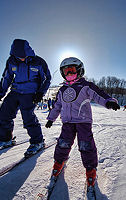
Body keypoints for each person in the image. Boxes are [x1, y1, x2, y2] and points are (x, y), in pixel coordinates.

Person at [45, 57, 120, 187]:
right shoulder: (62, 90)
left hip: (83, 121)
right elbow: (57, 105)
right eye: (66, 71)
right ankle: (59, 162)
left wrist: (109, 101)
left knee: (86, 144)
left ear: (79, 70)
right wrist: (51, 119)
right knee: (63, 142)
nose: (69, 73)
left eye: (72, 70)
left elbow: (99, 94)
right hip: (67, 122)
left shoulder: (86, 86)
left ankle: (90, 169)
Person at [0, 39, 51, 155]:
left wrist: (40, 93)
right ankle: (5, 139)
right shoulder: (12, 61)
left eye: (23, 56)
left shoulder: (38, 62)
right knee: (4, 114)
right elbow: (7, 78)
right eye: (18, 56)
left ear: (28, 52)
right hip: (15, 91)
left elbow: (47, 79)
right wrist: (0, 93)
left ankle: (38, 142)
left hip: (30, 93)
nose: (21, 58)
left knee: (28, 117)